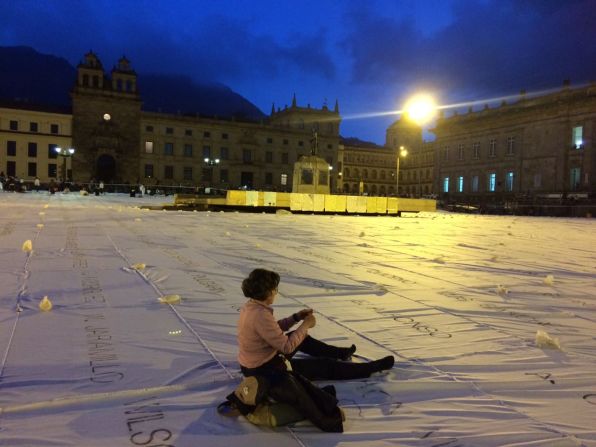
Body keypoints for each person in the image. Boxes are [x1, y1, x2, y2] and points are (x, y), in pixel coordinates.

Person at [238, 268, 394, 432]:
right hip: (264, 370)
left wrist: (296, 318)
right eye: (275, 289)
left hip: (257, 363)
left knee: (301, 338)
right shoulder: (260, 315)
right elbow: (286, 346)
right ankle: (368, 369)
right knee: (321, 366)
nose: (276, 293)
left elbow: (273, 330)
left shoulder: (252, 307)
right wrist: (306, 325)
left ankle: (340, 353)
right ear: (268, 292)